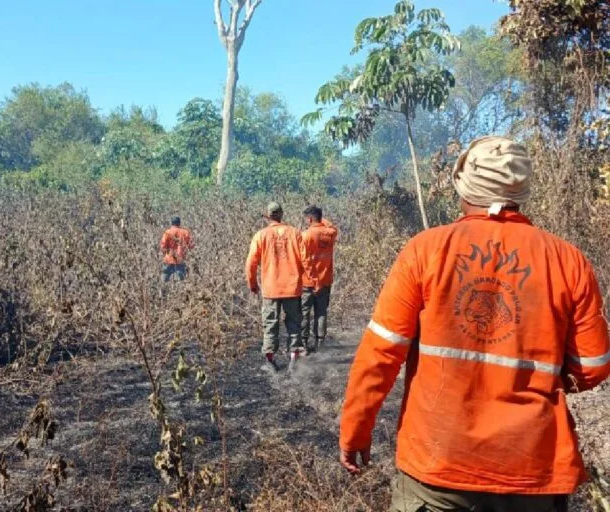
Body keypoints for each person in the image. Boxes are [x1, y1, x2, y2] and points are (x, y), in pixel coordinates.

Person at [339, 136, 610, 512]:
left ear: (463, 183)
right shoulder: (569, 261)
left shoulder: (426, 250)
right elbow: (592, 367)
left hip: (438, 469)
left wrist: (355, 430)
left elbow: (380, 355)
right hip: (532, 471)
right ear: (521, 189)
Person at [245, 202, 312, 372]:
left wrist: (252, 284)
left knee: (270, 324)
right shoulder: (295, 233)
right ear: (281, 214)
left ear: (267, 216)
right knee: (294, 323)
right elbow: (306, 260)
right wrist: (311, 280)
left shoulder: (261, 235)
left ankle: (270, 360)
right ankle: (293, 359)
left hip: (270, 289)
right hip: (292, 288)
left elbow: (251, 263)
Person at [300, 205, 338, 353]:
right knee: (321, 312)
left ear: (309, 219)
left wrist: (313, 279)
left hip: (308, 282)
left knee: (304, 313)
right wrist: (321, 219)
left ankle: (303, 344)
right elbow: (332, 226)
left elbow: (304, 261)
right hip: (325, 281)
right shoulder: (330, 233)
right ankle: (320, 344)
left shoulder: (305, 235)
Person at [159, 216, 193, 283]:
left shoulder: (167, 232)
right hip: (180, 259)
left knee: (164, 279)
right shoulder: (185, 232)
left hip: (168, 259)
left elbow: (163, 246)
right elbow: (191, 246)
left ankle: (164, 289)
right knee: (180, 281)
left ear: (171, 223)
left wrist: (165, 253)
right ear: (179, 223)